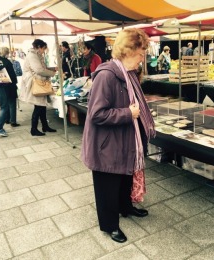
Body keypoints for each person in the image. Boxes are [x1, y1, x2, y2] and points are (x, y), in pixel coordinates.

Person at [81, 28, 155, 243]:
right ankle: (109, 225)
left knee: (125, 178)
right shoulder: (106, 76)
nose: (142, 58)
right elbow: (96, 114)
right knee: (107, 187)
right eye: (140, 53)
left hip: (125, 140)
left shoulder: (128, 73)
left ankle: (126, 207)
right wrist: (128, 113)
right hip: (107, 146)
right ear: (128, 51)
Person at [19, 39, 56, 136]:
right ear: (39, 47)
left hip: (39, 82)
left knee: (42, 106)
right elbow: (39, 70)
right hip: (36, 83)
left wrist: (52, 69)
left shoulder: (36, 55)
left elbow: (42, 68)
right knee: (38, 106)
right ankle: (33, 129)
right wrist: (52, 73)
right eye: (43, 48)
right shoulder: (32, 55)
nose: (44, 51)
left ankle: (45, 126)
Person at [0, 47, 20, 127]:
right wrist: (15, 83)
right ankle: (13, 121)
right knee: (12, 103)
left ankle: (7, 119)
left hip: (1, 85)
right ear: (6, 53)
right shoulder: (7, 62)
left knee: (5, 103)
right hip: (10, 85)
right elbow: (12, 74)